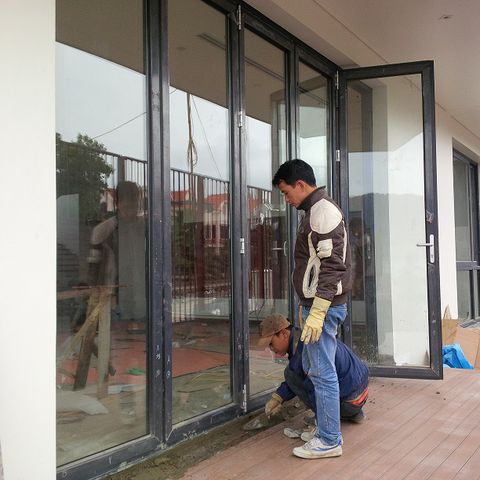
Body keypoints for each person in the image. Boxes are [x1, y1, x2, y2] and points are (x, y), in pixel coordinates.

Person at [272, 159, 352, 459]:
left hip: (323, 308)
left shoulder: (323, 212)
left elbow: (333, 267)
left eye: (286, 192)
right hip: (318, 306)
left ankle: (330, 439)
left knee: (322, 372)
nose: (286, 199)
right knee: (314, 368)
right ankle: (325, 429)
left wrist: (317, 313)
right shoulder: (314, 211)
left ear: (300, 185)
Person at [259, 314, 369, 429]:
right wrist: (278, 397)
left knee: (290, 374)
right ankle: (353, 414)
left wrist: (321, 421)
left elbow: (314, 386)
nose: (271, 349)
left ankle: (324, 422)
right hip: (361, 394)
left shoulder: (304, 351)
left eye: (271, 343)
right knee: (296, 373)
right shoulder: (306, 336)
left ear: (284, 334)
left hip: (349, 401)